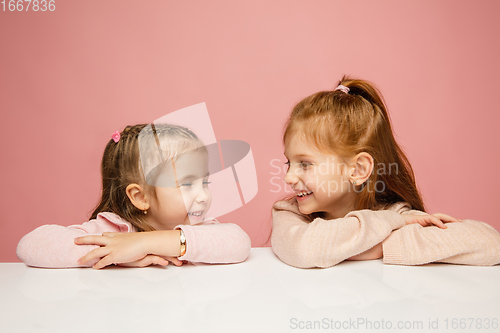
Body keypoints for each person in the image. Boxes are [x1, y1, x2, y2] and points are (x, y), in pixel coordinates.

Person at [271, 76, 500, 268]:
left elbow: (491, 244)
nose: (288, 177)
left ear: (358, 169)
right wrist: (383, 233)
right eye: (288, 163)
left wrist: (356, 246)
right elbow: (306, 248)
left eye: (305, 164)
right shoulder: (289, 213)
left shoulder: (398, 213)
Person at [17, 124, 251, 269]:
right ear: (139, 197)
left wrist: (143, 243)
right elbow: (29, 245)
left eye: (205, 182)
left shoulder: (199, 229)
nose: (203, 196)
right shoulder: (112, 232)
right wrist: (117, 254)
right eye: (187, 184)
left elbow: (239, 242)